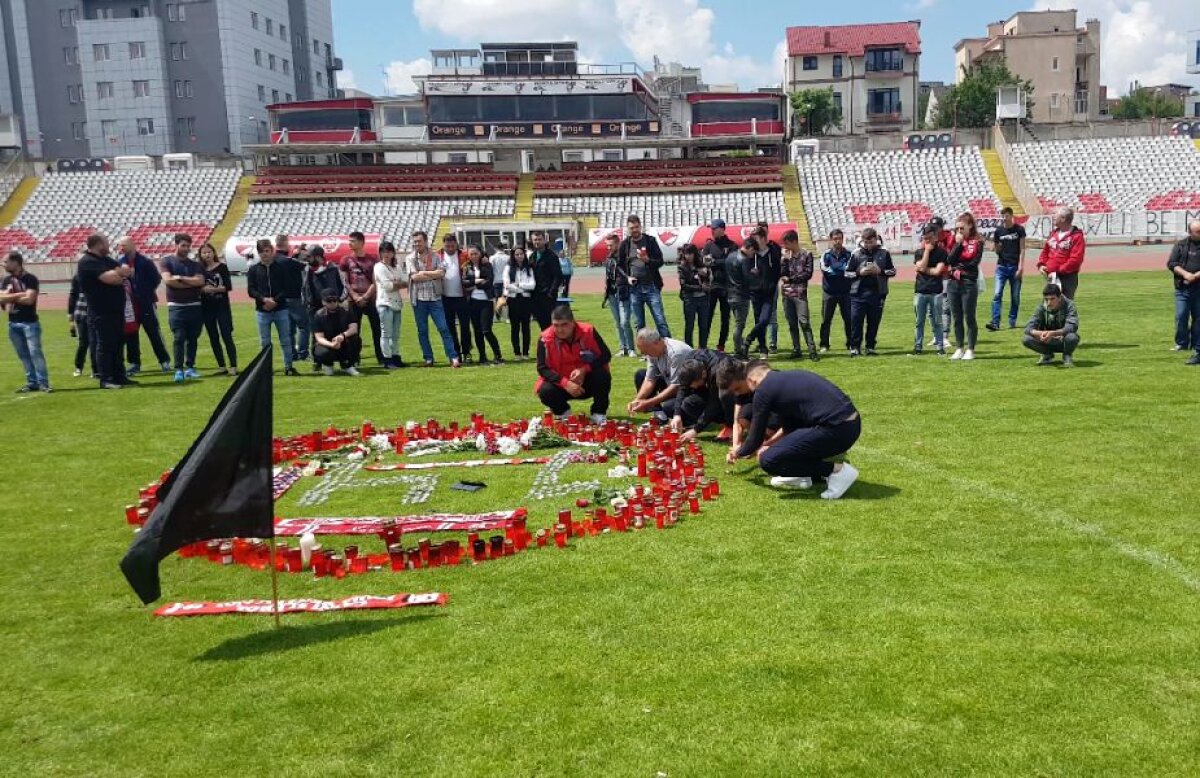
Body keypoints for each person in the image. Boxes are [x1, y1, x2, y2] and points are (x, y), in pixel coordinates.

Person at [718, 360, 860, 499]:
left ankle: (837, 471)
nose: (738, 394)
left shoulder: (763, 390)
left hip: (837, 429)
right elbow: (790, 428)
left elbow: (755, 438)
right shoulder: (784, 380)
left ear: (751, 379)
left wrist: (739, 452)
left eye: (738, 389)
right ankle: (801, 477)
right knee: (777, 453)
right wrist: (769, 446)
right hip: (850, 425)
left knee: (768, 460)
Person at [535, 305, 612, 423]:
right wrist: (565, 383)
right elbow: (542, 368)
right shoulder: (545, 339)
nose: (560, 330)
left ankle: (598, 412)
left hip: (586, 383)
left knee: (602, 375)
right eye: (555, 325)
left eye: (564, 324)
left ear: (573, 323)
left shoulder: (588, 331)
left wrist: (584, 369)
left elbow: (606, 355)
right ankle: (562, 412)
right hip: (561, 385)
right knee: (545, 390)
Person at [77, 234, 134, 388]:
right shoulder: (87, 262)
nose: (109, 246)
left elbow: (126, 271)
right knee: (105, 345)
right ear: (99, 244)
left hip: (115, 310)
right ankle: (106, 379)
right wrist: (119, 275)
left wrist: (119, 274)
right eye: (107, 243)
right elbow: (113, 278)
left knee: (118, 343)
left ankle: (119, 376)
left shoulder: (105, 260)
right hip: (101, 311)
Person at [405, 231, 460, 368]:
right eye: (415, 241)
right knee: (422, 331)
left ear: (425, 241)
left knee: (443, 328)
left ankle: (453, 357)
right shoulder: (410, 258)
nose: (417, 244)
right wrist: (432, 274)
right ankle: (428, 358)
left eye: (419, 241)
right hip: (418, 299)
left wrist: (423, 273)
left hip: (435, 298)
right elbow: (414, 277)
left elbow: (441, 273)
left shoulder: (435, 256)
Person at [117, 236, 170, 374]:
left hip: (146, 304)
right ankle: (134, 363)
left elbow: (156, 279)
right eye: (120, 245)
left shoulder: (145, 262)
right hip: (129, 306)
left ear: (132, 245)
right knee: (131, 335)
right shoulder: (120, 262)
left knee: (154, 333)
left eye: (124, 245)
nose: (121, 248)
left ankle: (164, 361)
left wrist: (144, 292)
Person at [246, 237, 297, 375]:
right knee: (265, 342)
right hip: (262, 311)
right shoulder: (253, 270)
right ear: (258, 253)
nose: (265, 254)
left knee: (286, 340)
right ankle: (266, 368)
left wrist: (274, 300)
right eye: (262, 251)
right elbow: (251, 290)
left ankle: (289, 367)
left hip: (281, 309)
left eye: (267, 251)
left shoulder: (281, 268)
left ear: (272, 251)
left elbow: (287, 287)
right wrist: (264, 300)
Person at [159, 233, 206, 382]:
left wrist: (181, 278)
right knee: (179, 338)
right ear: (176, 245)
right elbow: (168, 280)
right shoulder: (166, 261)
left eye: (188, 246)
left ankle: (190, 367)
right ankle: (178, 369)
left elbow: (200, 281)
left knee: (193, 338)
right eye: (183, 245)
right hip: (176, 307)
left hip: (194, 306)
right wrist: (188, 282)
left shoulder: (195, 264)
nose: (186, 248)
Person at [0, 251, 50, 393]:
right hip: (13, 323)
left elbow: (29, 300)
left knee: (35, 353)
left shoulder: (30, 279)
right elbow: (0, 298)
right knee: (23, 355)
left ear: (16, 262)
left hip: (30, 323)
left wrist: (9, 297)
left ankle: (43, 383)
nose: (3, 264)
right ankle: (32, 382)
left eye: (6, 261)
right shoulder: (5, 280)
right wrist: (20, 295)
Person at [618, 215, 671, 337]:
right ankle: (645, 352)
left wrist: (648, 260)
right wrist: (627, 277)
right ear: (628, 228)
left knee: (660, 320)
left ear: (640, 226)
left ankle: (668, 348)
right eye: (632, 228)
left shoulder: (650, 241)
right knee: (639, 323)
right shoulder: (625, 244)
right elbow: (619, 266)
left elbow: (660, 261)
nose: (634, 230)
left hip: (651, 287)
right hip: (635, 289)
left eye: (636, 227)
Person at [847, 228, 896, 356]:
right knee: (856, 321)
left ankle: (870, 347)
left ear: (876, 239)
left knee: (874, 321)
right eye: (866, 242)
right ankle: (855, 347)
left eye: (871, 241)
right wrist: (859, 272)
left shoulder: (884, 253)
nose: (868, 244)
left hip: (877, 292)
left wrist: (880, 272)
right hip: (858, 293)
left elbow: (892, 271)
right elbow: (847, 273)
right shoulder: (856, 253)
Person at [671, 350, 738, 442]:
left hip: (732, 389)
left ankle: (731, 425)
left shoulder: (717, 371)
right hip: (711, 388)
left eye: (694, 384)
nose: (693, 387)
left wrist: (696, 430)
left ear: (703, 374)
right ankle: (714, 421)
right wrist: (677, 414)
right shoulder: (690, 361)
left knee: (724, 396)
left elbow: (714, 402)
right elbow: (683, 388)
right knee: (690, 403)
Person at [628, 329, 693, 422]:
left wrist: (648, 403)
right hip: (671, 383)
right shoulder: (653, 353)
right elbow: (650, 379)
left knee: (669, 406)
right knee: (641, 375)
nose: (645, 354)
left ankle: (690, 420)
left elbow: (676, 387)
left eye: (646, 350)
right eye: (643, 352)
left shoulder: (677, 353)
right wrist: (637, 400)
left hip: (689, 390)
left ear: (656, 343)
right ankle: (660, 416)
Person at [341, 231, 384, 365]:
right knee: (354, 331)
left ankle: (381, 357)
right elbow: (344, 281)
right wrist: (354, 296)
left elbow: (375, 280)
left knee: (377, 329)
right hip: (353, 301)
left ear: (361, 242)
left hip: (370, 300)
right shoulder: (346, 260)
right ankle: (354, 358)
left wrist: (365, 296)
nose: (350, 243)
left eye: (352, 241)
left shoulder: (373, 260)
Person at [946, 212, 984, 361]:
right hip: (953, 283)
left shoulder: (978, 242)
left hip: (968, 282)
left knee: (969, 317)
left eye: (962, 228)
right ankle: (959, 347)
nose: (959, 231)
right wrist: (958, 244)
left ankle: (970, 349)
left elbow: (974, 263)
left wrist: (960, 267)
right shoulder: (954, 241)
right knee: (956, 317)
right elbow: (950, 259)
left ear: (970, 226)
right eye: (957, 229)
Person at [302, 245, 345, 369]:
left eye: (310, 256)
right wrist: (308, 302)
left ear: (318, 256)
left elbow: (341, 285)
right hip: (314, 307)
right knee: (315, 334)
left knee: (337, 331)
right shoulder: (307, 270)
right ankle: (317, 360)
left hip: (332, 305)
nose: (308, 259)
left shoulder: (332, 268)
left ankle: (342, 358)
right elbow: (305, 287)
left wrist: (338, 299)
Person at [198, 242, 237, 376]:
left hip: (222, 307)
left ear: (214, 253)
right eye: (204, 252)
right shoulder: (199, 269)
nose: (207, 254)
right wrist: (203, 289)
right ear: (200, 255)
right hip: (207, 308)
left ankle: (233, 366)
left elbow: (228, 286)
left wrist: (214, 289)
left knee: (226, 335)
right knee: (213, 337)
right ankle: (221, 366)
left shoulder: (222, 267)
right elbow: (197, 287)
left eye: (209, 252)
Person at [779, 229, 818, 361]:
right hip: (786, 294)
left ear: (794, 241)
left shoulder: (807, 254)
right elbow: (782, 274)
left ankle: (812, 350)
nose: (785, 246)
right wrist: (784, 261)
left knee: (804, 322)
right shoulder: (785, 257)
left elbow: (808, 274)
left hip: (800, 293)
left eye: (786, 243)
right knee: (792, 323)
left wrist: (791, 280)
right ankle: (797, 349)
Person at [463, 244, 503, 364]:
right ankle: (482, 357)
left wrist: (474, 285)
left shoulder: (487, 265)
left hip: (486, 301)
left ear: (480, 253)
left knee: (486, 330)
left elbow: (489, 282)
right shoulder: (466, 267)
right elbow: (464, 283)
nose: (474, 256)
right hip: (472, 302)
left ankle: (498, 355)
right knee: (477, 331)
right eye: (471, 254)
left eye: (476, 253)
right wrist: (476, 281)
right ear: (468, 255)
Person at [987, 207, 1026, 331]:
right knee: (997, 294)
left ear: (1011, 215)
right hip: (1002, 266)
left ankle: (1012, 319)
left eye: (1006, 216)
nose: (1004, 218)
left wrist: (1021, 266)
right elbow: (997, 250)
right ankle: (995, 321)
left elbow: (1022, 249)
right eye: (1002, 216)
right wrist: (995, 247)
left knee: (1015, 296)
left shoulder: (1019, 230)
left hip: (1014, 266)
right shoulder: (998, 231)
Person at [1022, 283, 1080, 367]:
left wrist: (1053, 333)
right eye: (1046, 299)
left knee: (1072, 337)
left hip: (1063, 341)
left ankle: (1067, 356)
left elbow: (1071, 327)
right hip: (1046, 340)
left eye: (1052, 299)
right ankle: (1047, 354)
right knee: (1026, 339)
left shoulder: (1069, 305)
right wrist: (1042, 334)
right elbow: (1028, 328)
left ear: (1059, 297)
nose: (1049, 303)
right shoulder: (1041, 307)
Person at [912, 226, 948, 355]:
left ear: (936, 237)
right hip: (921, 291)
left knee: (937, 320)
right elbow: (920, 265)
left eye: (930, 238)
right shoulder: (918, 252)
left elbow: (937, 271)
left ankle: (940, 346)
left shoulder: (942, 253)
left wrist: (923, 269)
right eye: (925, 238)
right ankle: (918, 347)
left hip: (936, 292)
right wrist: (927, 251)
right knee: (919, 321)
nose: (927, 241)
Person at [1168, 220, 1200, 364]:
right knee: (1181, 316)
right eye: (1197, 231)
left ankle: (1196, 344)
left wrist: (1196, 275)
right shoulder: (1180, 245)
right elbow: (1172, 263)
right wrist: (1186, 274)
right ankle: (1182, 343)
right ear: (1190, 232)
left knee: (1198, 319)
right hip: (1182, 288)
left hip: (1198, 288)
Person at [702, 218, 737, 351]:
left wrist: (715, 262)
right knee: (707, 317)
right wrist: (716, 262)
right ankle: (703, 344)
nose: (711, 231)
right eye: (711, 228)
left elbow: (731, 262)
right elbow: (704, 262)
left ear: (722, 229)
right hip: (711, 287)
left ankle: (721, 345)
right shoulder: (709, 245)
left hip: (727, 287)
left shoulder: (732, 245)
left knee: (725, 318)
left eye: (714, 229)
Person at [374, 240, 409, 369]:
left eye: (389, 251)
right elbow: (388, 286)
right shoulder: (379, 266)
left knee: (395, 334)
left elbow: (405, 281)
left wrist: (398, 284)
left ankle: (395, 356)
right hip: (385, 303)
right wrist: (399, 284)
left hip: (396, 303)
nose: (386, 254)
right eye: (383, 251)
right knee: (386, 333)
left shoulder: (397, 267)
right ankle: (387, 359)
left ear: (393, 253)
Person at [1037, 206, 1085, 300]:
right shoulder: (1053, 234)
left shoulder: (1076, 236)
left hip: (1067, 278)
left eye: (1056, 215)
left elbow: (1076, 260)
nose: (1053, 217)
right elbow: (1045, 251)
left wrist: (1059, 270)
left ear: (1063, 218)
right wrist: (1041, 264)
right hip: (1052, 277)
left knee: (1065, 306)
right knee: (1050, 306)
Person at [437, 233, 472, 362]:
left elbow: (477, 256)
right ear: (443, 244)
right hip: (445, 297)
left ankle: (467, 352)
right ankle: (455, 353)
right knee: (450, 327)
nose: (450, 248)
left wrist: (484, 258)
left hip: (462, 297)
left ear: (456, 244)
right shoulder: (438, 255)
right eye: (447, 245)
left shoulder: (464, 254)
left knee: (465, 327)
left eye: (452, 245)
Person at [275, 234, 309, 363]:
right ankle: (303, 352)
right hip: (294, 297)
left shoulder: (274, 260)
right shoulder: (288, 261)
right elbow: (305, 265)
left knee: (288, 329)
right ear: (284, 243)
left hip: (280, 299)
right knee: (304, 326)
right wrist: (300, 255)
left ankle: (292, 353)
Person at [819, 228, 853, 354]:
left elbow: (849, 269)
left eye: (840, 238)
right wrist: (840, 270)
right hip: (829, 292)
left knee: (848, 319)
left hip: (845, 292)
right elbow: (825, 270)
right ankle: (824, 344)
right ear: (831, 240)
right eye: (835, 239)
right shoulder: (826, 255)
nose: (837, 241)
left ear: (842, 239)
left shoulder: (849, 254)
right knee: (826, 320)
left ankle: (851, 343)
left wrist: (836, 270)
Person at [312, 290, 362, 376]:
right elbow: (319, 337)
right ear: (323, 302)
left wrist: (342, 336)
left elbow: (354, 329)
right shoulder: (318, 315)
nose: (332, 303)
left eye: (334, 300)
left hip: (343, 341)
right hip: (327, 343)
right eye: (329, 301)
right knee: (321, 352)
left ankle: (347, 365)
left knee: (355, 340)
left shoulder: (346, 310)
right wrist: (331, 344)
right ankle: (328, 365)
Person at [602, 233, 634, 357]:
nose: (608, 248)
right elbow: (607, 275)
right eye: (607, 246)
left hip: (623, 292)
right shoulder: (608, 258)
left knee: (625, 321)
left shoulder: (624, 257)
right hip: (611, 293)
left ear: (617, 243)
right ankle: (623, 348)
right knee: (617, 321)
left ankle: (631, 348)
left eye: (611, 245)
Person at [677, 243, 712, 349]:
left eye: (691, 253)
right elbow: (684, 285)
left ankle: (703, 347)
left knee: (704, 325)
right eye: (687, 254)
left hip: (703, 299)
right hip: (690, 299)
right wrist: (700, 287)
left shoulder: (701, 264)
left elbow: (708, 280)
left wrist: (707, 274)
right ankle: (688, 347)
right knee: (689, 325)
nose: (689, 256)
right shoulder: (682, 267)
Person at [754, 222, 783, 353]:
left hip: (771, 288)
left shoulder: (773, 248)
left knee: (772, 315)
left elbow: (778, 266)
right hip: (757, 290)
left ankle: (772, 342)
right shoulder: (753, 252)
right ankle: (761, 343)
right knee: (758, 317)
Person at [504, 245, 536, 360]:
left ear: (524, 255)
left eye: (521, 254)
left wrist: (519, 285)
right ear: (513, 255)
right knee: (515, 327)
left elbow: (532, 286)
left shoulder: (529, 268)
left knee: (526, 327)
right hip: (513, 300)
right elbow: (507, 285)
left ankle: (526, 352)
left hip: (526, 300)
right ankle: (517, 353)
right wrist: (521, 288)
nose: (519, 256)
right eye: (516, 254)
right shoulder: (508, 268)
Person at [529, 230, 563, 330]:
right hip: (535, 296)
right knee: (541, 324)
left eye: (539, 239)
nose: (537, 242)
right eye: (535, 240)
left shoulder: (552, 256)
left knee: (550, 324)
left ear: (544, 240)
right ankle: (546, 344)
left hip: (548, 296)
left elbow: (558, 276)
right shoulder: (532, 256)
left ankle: (553, 344)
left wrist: (551, 292)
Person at [726, 238, 755, 356]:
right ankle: (738, 350)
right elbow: (747, 279)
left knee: (738, 323)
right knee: (739, 325)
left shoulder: (730, 256)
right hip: (741, 295)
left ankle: (739, 346)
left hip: (730, 294)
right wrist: (754, 273)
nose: (753, 255)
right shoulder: (744, 260)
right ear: (750, 248)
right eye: (753, 252)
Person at [67, 271, 97, 378]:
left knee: (95, 342)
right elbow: (73, 295)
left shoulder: (98, 274)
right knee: (84, 342)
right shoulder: (78, 277)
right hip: (82, 314)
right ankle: (78, 367)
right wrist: (70, 315)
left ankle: (96, 369)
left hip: (94, 314)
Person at [490, 242, 510, 323]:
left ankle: (496, 316)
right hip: (506, 280)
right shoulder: (508, 257)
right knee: (506, 299)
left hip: (496, 280)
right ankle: (506, 317)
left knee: (497, 299)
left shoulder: (492, 257)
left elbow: (490, 269)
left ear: (495, 248)